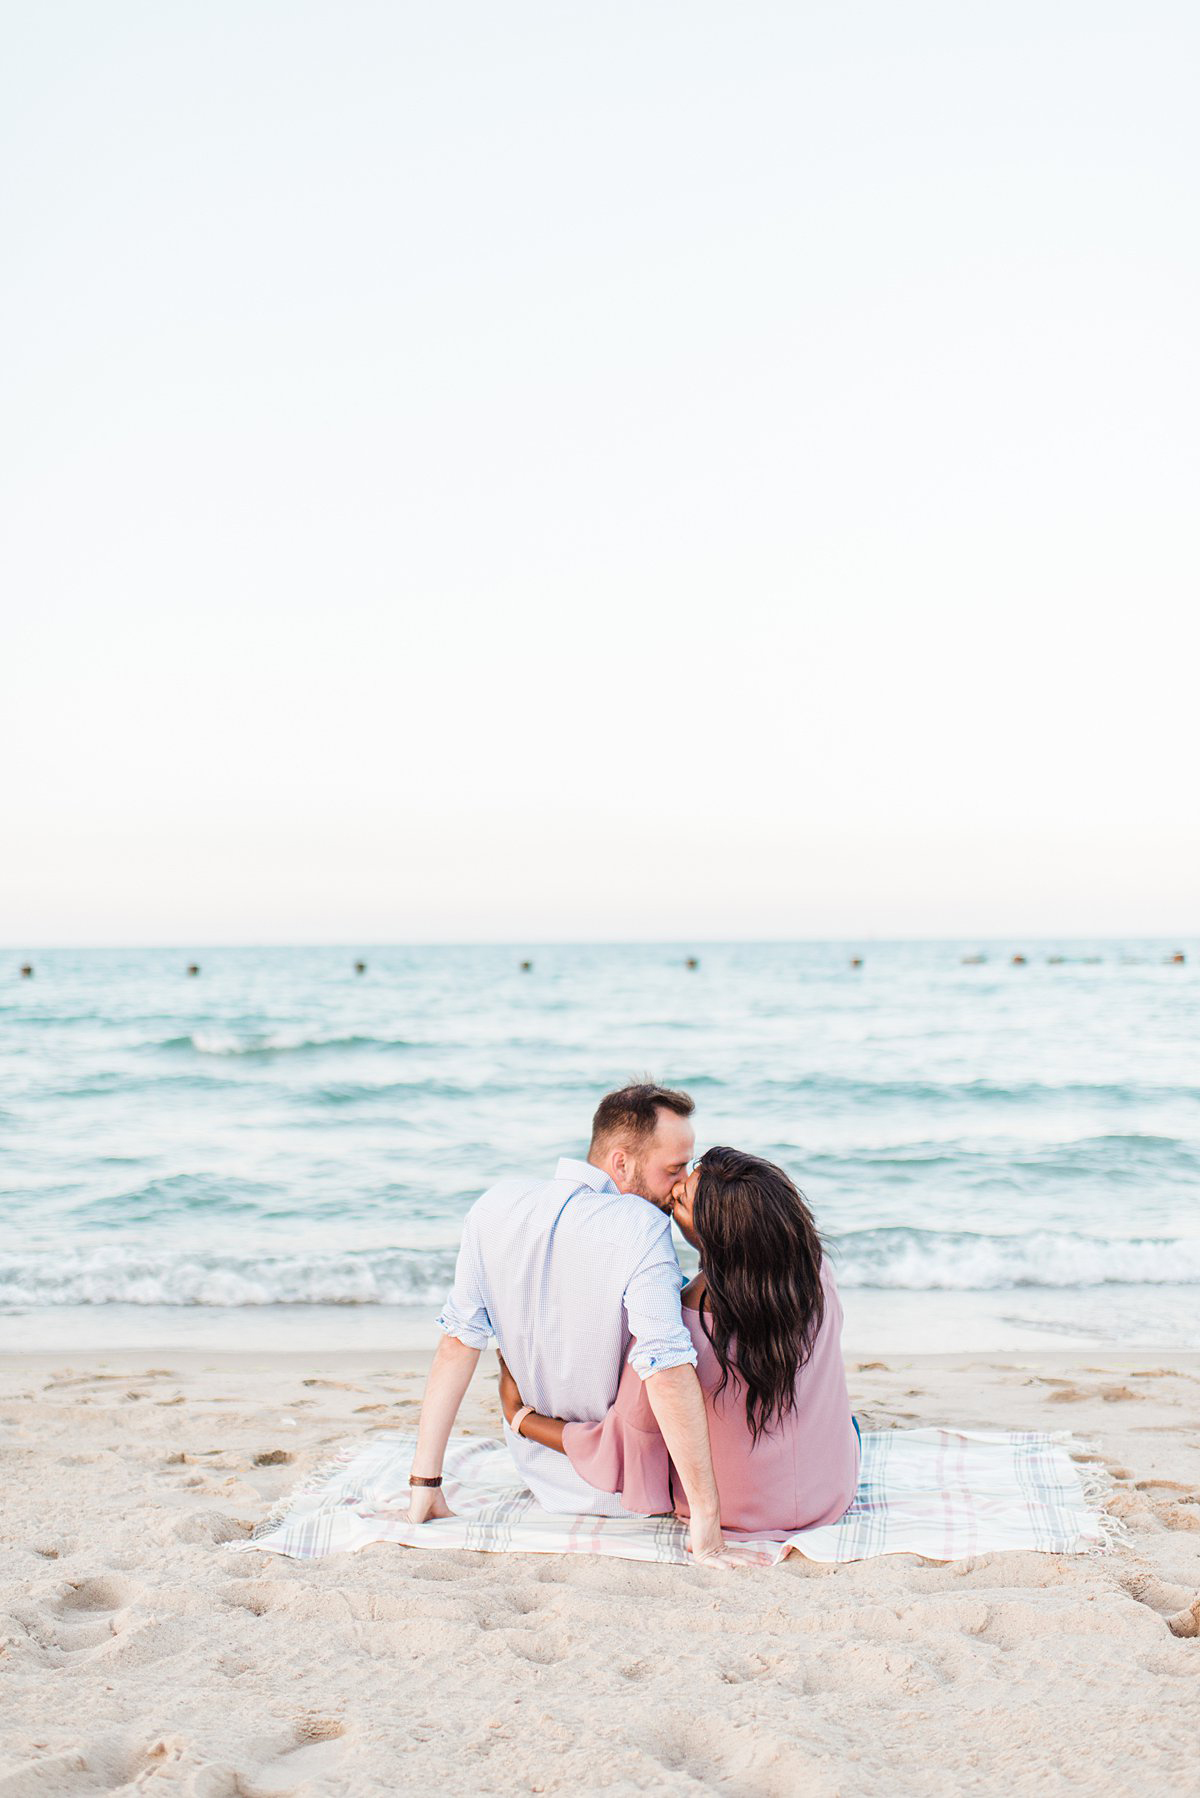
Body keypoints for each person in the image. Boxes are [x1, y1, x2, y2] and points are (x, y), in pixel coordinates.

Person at [404, 1084, 733, 1563]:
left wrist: (425, 1483)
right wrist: (707, 1520)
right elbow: (664, 1368)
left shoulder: (493, 1206)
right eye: (674, 1168)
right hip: (630, 1488)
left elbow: (458, 1342)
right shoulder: (641, 1226)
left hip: (541, 1476)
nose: (683, 1183)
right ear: (621, 1163)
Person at [498, 1147, 860, 1536]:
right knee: (843, 1418)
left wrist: (521, 1417)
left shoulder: (678, 1324)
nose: (671, 1197)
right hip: (830, 1495)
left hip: (731, 1510)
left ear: (713, 1233)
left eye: (682, 1200)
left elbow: (621, 1446)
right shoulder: (817, 1273)